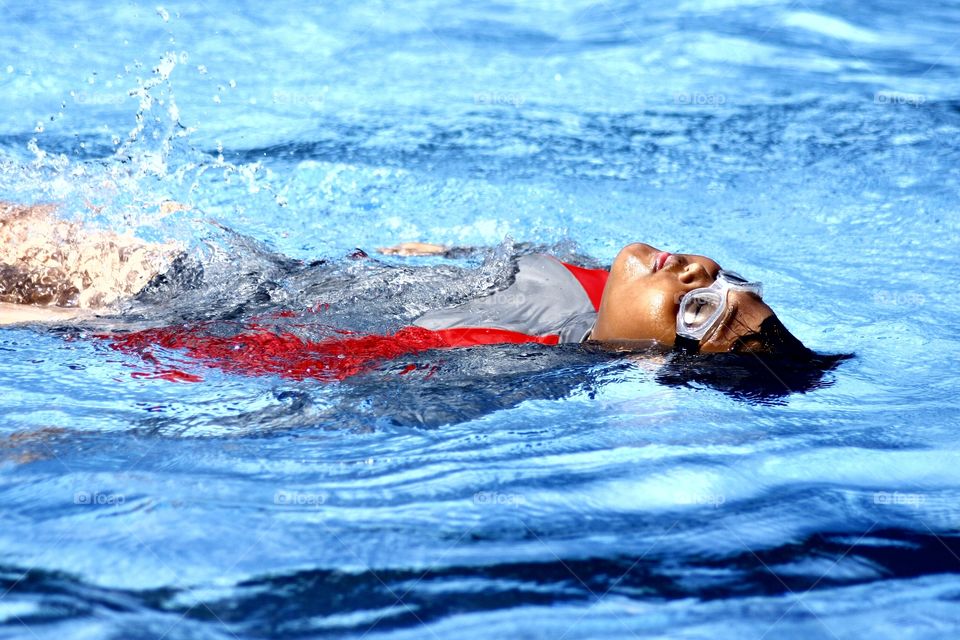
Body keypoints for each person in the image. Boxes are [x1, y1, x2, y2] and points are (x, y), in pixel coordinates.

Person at [1, 201, 816, 383]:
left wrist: (116, 331)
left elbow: (331, 378)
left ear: (652, 353)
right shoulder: (593, 277)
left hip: (201, 316)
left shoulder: (522, 365)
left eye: (698, 307)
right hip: (272, 277)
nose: (700, 274)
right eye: (727, 277)